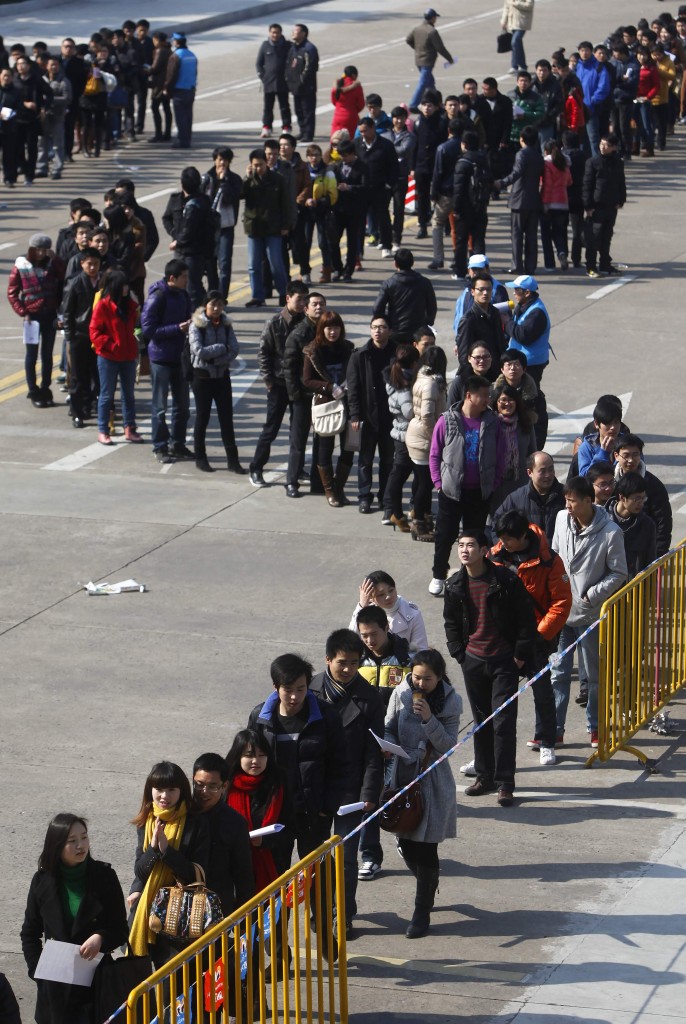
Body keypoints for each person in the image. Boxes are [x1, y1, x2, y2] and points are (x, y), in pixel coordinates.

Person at [444, 529, 537, 805]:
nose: (464, 550)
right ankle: (485, 776)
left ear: (485, 550)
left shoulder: (506, 580)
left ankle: (505, 782)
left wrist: (519, 656)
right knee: (481, 722)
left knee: (503, 723)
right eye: (460, 545)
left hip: (503, 662)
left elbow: (525, 619)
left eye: (471, 545)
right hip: (473, 661)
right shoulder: (455, 585)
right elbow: (451, 623)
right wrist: (459, 653)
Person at [310, 629, 385, 939]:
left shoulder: (370, 698)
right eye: (342, 662)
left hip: (350, 792)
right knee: (314, 859)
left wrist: (369, 794)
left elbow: (374, 753)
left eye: (354, 663)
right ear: (328, 659)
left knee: (345, 860)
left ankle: (344, 914)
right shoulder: (309, 690)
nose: (348, 669)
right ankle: (319, 912)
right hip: (314, 791)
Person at [21, 813, 128, 1024]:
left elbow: (120, 929)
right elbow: (29, 933)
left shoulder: (105, 876)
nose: (81, 845)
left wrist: (101, 937)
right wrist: (38, 972)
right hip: (55, 990)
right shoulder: (42, 881)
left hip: (95, 985)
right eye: (72, 841)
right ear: (56, 846)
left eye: (84, 837)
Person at [384, 648, 461, 937]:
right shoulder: (400, 692)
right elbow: (389, 726)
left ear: (439, 678)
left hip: (432, 781)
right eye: (416, 677)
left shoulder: (451, 701)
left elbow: (448, 745)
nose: (419, 684)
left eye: (427, 679)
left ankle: (421, 912)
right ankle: (428, 882)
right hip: (402, 775)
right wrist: (389, 746)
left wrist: (430, 719)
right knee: (405, 841)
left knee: (427, 846)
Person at [490, 511, 572, 766]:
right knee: (499, 695)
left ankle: (546, 741)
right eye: (501, 538)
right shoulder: (495, 557)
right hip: (504, 639)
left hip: (535, 638)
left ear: (523, 536)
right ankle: (490, 752)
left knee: (543, 691)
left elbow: (561, 601)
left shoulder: (549, 561)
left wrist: (540, 635)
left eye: (509, 539)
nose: (504, 543)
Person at [550, 476, 628, 746]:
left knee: (593, 676)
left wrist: (591, 595)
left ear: (588, 500)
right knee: (558, 673)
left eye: (573, 501)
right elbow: (554, 554)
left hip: (591, 614)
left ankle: (595, 726)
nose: (568, 506)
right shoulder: (561, 519)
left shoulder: (610, 533)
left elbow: (618, 573)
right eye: (566, 500)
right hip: (562, 612)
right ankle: (554, 730)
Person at [248, 653, 348, 863]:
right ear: (276, 687)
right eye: (288, 690)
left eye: (301, 689)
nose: (295, 697)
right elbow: (249, 764)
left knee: (317, 876)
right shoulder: (260, 718)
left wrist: (326, 809)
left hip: (312, 813)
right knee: (274, 876)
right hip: (275, 813)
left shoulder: (326, 716)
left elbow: (340, 765)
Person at [428, 375, 505, 596]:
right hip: (451, 492)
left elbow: (501, 455)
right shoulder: (447, 420)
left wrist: (495, 480)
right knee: (445, 535)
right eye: (483, 395)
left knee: (474, 537)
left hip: (479, 493)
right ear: (469, 395)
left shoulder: (492, 422)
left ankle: (468, 576)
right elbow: (435, 454)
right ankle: (438, 575)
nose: (487, 400)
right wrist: (439, 483)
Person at [128, 762, 210, 966]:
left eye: (171, 790)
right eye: (159, 790)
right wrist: (153, 849)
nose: (164, 796)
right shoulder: (147, 820)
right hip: (146, 911)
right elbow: (140, 870)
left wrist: (166, 851)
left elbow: (195, 873)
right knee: (142, 983)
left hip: (177, 916)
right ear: (150, 790)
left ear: (182, 791)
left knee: (171, 987)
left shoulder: (196, 822)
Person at [249, 282, 308, 487]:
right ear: (288, 298)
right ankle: (256, 467)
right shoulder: (274, 323)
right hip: (279, 383)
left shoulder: (307, 323)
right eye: (299, 299)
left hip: (299, 385)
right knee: (271, 429)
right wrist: (268, 381)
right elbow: (263, 353)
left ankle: (297, 468)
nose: (302, 303)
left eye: (304, 299)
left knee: (298, 431)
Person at [140, 259, 193, 464]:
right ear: (173, 278)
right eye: (184, 277)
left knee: (183, 406)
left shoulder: (183, 295)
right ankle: (160, 446)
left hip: (180, 358)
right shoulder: (157, 297)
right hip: (161, 359)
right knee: (160, 406)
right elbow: (149, 330)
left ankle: (177, 443)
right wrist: (177, 329)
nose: (187, 281)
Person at [189, 290, 245, 474]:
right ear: (205, 305)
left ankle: (233, 460)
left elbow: (234, 348)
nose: (216, 308)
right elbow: (199, 350)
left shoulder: (226, 324)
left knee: (226, 419)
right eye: (213, 304)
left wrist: (217, 360)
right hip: (202, 378)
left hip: (222, 377)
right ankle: (200, 457)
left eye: (220, 305)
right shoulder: (196, 324)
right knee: (202, 418)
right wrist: (221, 349)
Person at [191, 752, 255, 914]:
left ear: (224, 786)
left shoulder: (235, 824)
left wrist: (243, 921)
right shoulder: (179, 813)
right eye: (199, 784)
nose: (204, 792)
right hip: (177, 904)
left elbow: (243, 876)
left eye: (212, 786)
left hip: (215, 909)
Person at [302, 311, 355, 506]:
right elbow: (307, 380)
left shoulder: (349, 348)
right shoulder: (312, 351)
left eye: (335, 328)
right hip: (326, 405)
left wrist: (348, 386)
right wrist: (330, 387)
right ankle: (329, 490)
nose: (332, 332)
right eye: (328, 328)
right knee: (324, 449)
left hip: (350, 405)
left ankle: (339, 488)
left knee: (351, 446)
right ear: (321, 329)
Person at [346, 315, 397, 514]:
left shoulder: (397, 353)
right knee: (365, 460)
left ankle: (384, 496)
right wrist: (355, 416)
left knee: (387, 460)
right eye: (374, 327)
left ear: (390, 331)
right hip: (365, 417)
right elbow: (353, 389)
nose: (378, 331)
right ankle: (364, 496)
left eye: (383, 327)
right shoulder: (359, 355)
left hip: (390, 416)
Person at [7, 233, 64, 409]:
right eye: (38, 250)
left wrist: (56, 260)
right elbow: (12, 293)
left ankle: (45, 387)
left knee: (47, 355)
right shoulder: (21, 265)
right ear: (31, 249)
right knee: (32, 355)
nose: (41, 253)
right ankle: (33, 389)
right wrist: (23, 312)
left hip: (50, 315)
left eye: (44, 250)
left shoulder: (53, 264)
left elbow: (64, 279)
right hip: (32, 317)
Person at [89, 269, 141, 446]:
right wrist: (111, 345)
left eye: (127, 284)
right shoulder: (103, 306)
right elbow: (94, 332)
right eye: (123, 285)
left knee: (129, 394)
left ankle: (129, 428)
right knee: (106, 395)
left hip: (128, 356)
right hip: (108, 357)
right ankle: (103, 430)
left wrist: (136, 342)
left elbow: (137, 326)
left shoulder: (131, 306)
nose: (126, 288)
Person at [282, 290, 325, 497]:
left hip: (322, 396)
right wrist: (295, 396)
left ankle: (318, 482)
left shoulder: (327, 330)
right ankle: (292, 481)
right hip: (302, 396)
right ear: (306, 309)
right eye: (314, 304)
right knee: (298, 442)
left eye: (321, 304)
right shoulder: (299, 334)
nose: (318, 307)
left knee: (321, 440)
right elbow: (289, 367)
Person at [241, 149, 289, 309]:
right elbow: (240, 195)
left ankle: (284, 294)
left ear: (266, 163)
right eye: (255, 165)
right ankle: (257, 296)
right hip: (254, 229)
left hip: (273, 228)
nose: (258, 168)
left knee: (276, 263)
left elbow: (286, 203)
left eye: (260, 165)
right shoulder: (249, 180)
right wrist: (247, 178)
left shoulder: (277, 180)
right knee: (253, 265)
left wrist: (285, 225)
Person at [382, 343, 422, 529]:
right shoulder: (403, 386)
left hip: (403, 434)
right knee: (399, 474)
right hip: (405, 436)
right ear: (414, 363)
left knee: (402, 474)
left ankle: (399, 511)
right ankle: (395, 513)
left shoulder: (399, 378)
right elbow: (409, 413)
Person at [612, 434, 672, 557]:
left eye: (635, 455)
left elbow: (663, 522)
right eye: (626, 455)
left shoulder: (653, 485)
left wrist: (658, 554)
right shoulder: (609, 482)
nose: (631, 460)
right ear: (616, 456)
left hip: (642, 554)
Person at [495, 125, 544, 275]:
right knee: (531, 236)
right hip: (534, 199)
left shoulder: (521, 154)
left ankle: (517, 265)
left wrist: (501, 183)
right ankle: (531, 265)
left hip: (519, 199)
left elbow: (517, 173)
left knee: (517, 235)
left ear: (522, 139)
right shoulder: (538, 156)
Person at [61, 248, 101, 428]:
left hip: (98, 336)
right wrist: (70, 336)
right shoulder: (75, 283)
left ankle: (88, 406)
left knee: (96, 374)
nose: (92, 267)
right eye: (89, 263)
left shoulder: (103, 282)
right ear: (82, 263)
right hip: (80, 335)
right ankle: (77, 413)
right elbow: (67, 313)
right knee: (77, 376)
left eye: (96, 263)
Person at [492, 450, 565, 542]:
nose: (548, 475)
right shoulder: (515, 499)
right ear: (529, 472)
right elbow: (496, 525)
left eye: (551, 469)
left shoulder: (566, 496)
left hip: (558, 554)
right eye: (542, 471)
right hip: (526, 555)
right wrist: (505, 547)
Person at [349, 570, 429, 652]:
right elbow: (350, 643)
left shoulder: (413, 614)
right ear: (371, 599)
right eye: (381, 595)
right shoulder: (365, 612)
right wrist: (362, 606)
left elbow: (421, 651)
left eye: (391, 590)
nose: (388, 597)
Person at [583, 133, 626, 279]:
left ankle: (605, 263)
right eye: (601, 143)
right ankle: (591, 266)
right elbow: (587, 185)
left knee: (606, 236)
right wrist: (588, 206)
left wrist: (621, 200)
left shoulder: (618, 163)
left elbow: (621, 182)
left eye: (606, 144)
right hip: (596, 206)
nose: (602, 147)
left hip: (611, 205)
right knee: (593, 237)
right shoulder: (593, 162)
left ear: (614, 147)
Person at [354, 116, 397, 258]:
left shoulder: (385, 145)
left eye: (365, 131)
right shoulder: (356, 144)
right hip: (362, 190)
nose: (363, 134)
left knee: (383, 218)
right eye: (360, 131)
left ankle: (386, 245)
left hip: (380, 189)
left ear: (373, 128)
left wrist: (389, 185)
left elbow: (393, 167)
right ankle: (359, 250)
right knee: (359, 221)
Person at [372, 248, 437, 343]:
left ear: (395, 264)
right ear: (412, 263)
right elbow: (432, 307)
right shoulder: (425, 282)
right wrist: (426, 324)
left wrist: (388, 324)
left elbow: (377, 309)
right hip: (418, 332)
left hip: (396, 331)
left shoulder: (389, 284)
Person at [488, 383, 537, 511]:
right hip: (496, 483)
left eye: (511, 400)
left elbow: (532, 453)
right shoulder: (489, 424)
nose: (507, 403)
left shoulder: (525, 424)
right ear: (496, 402)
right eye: (503, 400)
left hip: (520, 481)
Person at [451, 131, 493, 278]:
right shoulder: (484, 160)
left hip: (465, 208)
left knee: (461, 241)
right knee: (478, 240)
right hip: (481, 206)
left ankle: (460, 271)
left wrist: (456, 208)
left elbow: (458, 189)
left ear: (464, 144)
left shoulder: (463, 163)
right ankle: (479, 271)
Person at [501, 275, 550, 387]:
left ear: (527, 293)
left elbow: (523, 336)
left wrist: (507, 321)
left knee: (528, 395)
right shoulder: (525, 305)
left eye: (517, 290)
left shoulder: (537, 313)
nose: (514, 293)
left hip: (531, 364)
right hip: (523, 361)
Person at [412, 91, 448, 239]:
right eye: (424, 105)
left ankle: (445, 224)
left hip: (438, 165)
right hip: (421, 166)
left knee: (441, 196)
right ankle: (422, 225)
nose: (427, 108)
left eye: (430, 105)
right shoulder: (418, 122)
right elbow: (415, 146)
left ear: (436, 107)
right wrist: (412, 167)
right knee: (422, 196)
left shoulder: (442, 122)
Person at [606, 473, 657, 578]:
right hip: (607, 589)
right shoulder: (602, 520)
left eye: (643, 498)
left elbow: (650, 563)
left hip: (634, 589)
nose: (641, 503)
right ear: (622, 497)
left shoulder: (647, 525)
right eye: (637, 499)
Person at [428, 118, 462, 271]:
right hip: (462, 192)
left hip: (446, 193)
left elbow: (437, 172)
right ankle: (459, 257)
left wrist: (434, 193)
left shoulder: (443, 148)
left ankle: (438, 257)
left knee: (437, 223)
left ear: (449, 130)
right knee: (460, 226)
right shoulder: (466, 147)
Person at [331, 140, 367, 282]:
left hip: (354, 210)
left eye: (346, 155)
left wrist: (350, 187)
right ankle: (338, 268)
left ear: (353, 154)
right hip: (338, 210)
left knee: (352, 242)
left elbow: (366, 187)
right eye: (341, 155)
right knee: (334, 241)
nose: (344, 158)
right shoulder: (337, 167)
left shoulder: (362, 167)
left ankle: (348, 271)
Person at [455, 272, 507, 370]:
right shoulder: (468, 320)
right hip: (478, 374)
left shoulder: (495, 313)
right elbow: (463, 356)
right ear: (472, 292)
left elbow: (501, 344)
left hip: (496, 370)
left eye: (488, 289)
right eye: (481, 289)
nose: (485, 293)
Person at [405, 9, 454, 111]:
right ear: (432, 18)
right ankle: (413, 104)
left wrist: (417, 48)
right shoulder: (432, 31)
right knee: (423, 82)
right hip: (427, 61)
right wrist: (450, 59)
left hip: (418, 60)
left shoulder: (417, 28)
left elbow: (408, 39)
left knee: (430, 83)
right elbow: (440, 48)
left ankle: (436, 102)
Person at [36, 56, 71, 180]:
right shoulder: (41, 80)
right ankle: (41, 167)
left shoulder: (63, 80)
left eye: (56, 64)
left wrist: (50, 100)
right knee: (42, 143)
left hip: (57, 116)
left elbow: (67, 98)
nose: (54, 67)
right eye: (51, 64)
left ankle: (57, 169)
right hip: (43, 116)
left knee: (58, 144)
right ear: (47, 66)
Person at [540, 140, 572, 272]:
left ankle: (550, 264)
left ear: (546, 151)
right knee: (559, 232)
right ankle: (562, 251)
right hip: (563, 202)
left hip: (550, 203)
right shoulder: (565, 163)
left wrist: (545, 203)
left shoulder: (546, 164)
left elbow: (547, 185)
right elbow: (569, 181)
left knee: (546, 234)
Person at [575, 40, 611, 156]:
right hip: (578, 108)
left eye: (587, 50)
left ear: (591, 52)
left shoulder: (599, 67)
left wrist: (592, 101)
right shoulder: (577, 67)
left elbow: (603, 87)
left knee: (593, 138)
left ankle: (597, 163)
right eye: (582, 51)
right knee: (581, 138)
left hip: (591, 109)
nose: (584, 53)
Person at [256, 24, 291, 138]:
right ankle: (267, 127)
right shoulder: (265, 46)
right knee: (268, 107)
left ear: (281, 33)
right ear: (269, 33)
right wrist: (263, 77)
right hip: (269, 82)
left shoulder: (287, 46)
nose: (275, 35)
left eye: (277, 32)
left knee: (284, 106)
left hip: (283, 82)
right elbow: (259, 63)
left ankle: (286, 127)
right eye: (273, 32)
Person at [285, 24, 318, 143]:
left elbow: (310, 68)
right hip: (295, 87)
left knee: (307, 111)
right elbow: (290, 64)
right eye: (292, 31)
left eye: (296, 31)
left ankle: (308, 134)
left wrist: (301, 81)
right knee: (299, 111)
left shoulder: (309, 49)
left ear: (304, 33)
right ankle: (303, 131)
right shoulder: (293, 47)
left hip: (306, 87)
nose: (293, 33)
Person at [577, 395, 624, 476]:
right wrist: (603, 454)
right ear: (596, 424)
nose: (613, 427)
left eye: (616, 422)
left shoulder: (629, 443)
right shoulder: (587, 447)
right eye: (608, 423)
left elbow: (640, 470)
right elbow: (584, 477)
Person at [166, 33, 197, 149]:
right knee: (188, 116)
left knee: (181, 117)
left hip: (179, 90)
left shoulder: (176, 56)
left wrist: (167, 88)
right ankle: (187, 139)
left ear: (176, 42)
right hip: (190, 89)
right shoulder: (192, 55)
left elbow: (171, 75)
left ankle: (183, 141)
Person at [148, 31, 172, 142]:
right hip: (167, 83)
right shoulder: (169, 50)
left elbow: (155, 68)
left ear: (157, 40)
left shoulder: (160, 51)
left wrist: (144, 70)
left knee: (155, 107)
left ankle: (158, 133)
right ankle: (167, 133)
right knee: (166, 108)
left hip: (159, 84)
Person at [501, 0, 535, 74]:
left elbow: (529, 6)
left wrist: (516, 3)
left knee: (515, 42)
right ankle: (516, 66)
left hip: (522, 22)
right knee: (517, 44)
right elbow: (506, 8)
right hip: (512, 22)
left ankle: (520, 66)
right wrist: (504, 21)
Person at [331, 65, 364, 138]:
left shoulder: (337, 83)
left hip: (337, 116)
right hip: (351, 116)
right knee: (350, 139)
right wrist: (354, 110)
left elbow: (333, 101)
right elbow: (361, 104)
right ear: (353, 75)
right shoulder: (356, 86)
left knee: (336, 138)